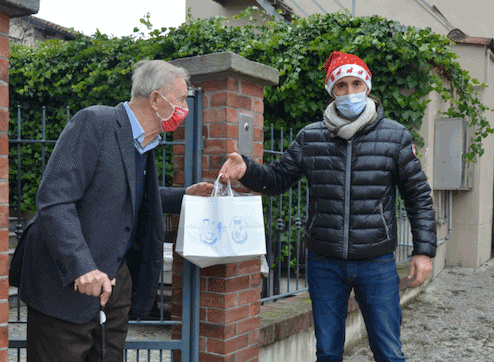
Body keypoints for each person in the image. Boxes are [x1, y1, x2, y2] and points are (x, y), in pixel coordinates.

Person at [219, 51, 437, 362]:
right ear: (332, 92)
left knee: (389, 351)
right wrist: (247, 170)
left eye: (356, 84)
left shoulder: (395, 136)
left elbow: (418, 196)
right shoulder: (311, 137)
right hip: (325, 264)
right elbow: (279, 179)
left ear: (367, 87)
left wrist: (423, 251)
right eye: (342, 86)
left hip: (376, 262)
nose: (350, 93)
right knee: (327, 352)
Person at [9, 59, 214, 361]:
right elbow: (55, 199)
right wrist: (82, 267)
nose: (185, 107)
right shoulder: (95, 122)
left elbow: (124, 192)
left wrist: (184, 196)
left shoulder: (144, 144)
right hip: (67, 285)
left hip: (114, 286)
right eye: (182, 98)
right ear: (156, 99)